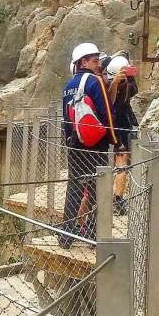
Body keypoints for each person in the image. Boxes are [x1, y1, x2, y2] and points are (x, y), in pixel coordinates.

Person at [58, 42, 117, 246]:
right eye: (94, 60)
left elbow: (66, 119)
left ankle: (65, 235)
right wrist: (115, 141)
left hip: (74, 144)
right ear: (84, 61)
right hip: (96, 145)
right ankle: (93, 234)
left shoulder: (68, 86)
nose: (98, 64)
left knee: (74, 187)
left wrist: (68, 142)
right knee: (96, 187)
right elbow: (106, 113)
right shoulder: (94, 81)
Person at [102, 54, 139, 215]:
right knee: (122, 160)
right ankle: (117, 197)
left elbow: (113, 101)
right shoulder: (118, 85)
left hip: (119, 124)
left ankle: (116, 196)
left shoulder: (124, 85)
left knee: (122, 161)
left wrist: (117, 81)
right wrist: (115, 82)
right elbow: (112, 103)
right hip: (119, 125)